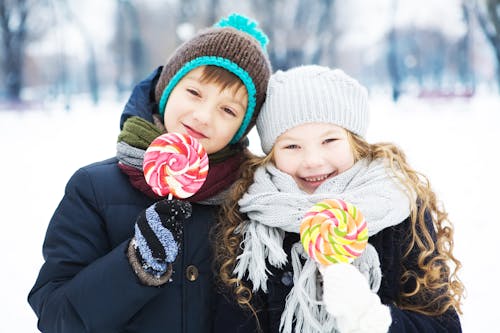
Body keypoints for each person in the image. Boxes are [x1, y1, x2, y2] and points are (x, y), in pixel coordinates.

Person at [28, 13, 272, 333]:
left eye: (228, 110)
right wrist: (135, 265)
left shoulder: (254, 200)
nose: (203, 116)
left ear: (243, 127)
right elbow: (56, 316)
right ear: (167, 87)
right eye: (194, 93)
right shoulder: (93, 189)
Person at [213, 65, 464, 332]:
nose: (312, 161)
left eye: (329, 140)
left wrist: (373, 318)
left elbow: (444, 326)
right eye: (292, 146)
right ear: (272, 154)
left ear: (354, 142)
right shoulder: (251, 221)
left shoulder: (399, 209)